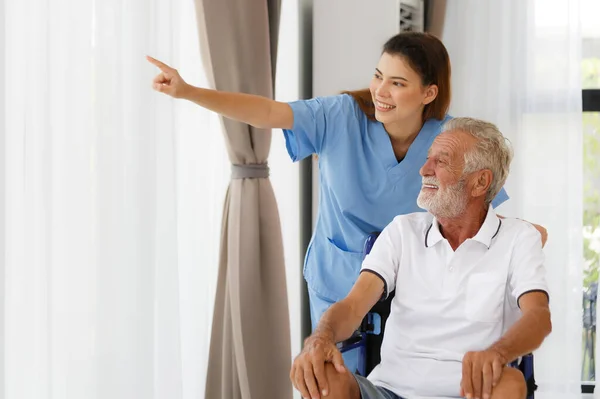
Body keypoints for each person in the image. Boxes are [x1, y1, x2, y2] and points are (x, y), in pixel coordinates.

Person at [147, 32, 547, 373]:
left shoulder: (447, 141)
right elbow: (267, 112)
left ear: (429, 92)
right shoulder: (340, 116)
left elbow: (481, 206)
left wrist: (522, 238)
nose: (380, 91)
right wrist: (188, 92)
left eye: (397, 83)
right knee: (333, 379)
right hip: (338, 280)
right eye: (378, 76)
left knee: (400, 381)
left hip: (412, 292)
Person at [290, 117, 552, 399]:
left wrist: (498, 353)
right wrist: (321, 338)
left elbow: (539, 316)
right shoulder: (402, 231)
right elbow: (353, 306)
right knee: (324, 377)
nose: (424, 170)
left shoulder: (519, 238)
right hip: (388, 391)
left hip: (470, 391)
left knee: (510, 383)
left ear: (480, 182)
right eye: (429, 159)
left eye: (441, 162)